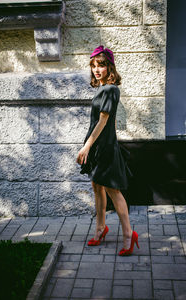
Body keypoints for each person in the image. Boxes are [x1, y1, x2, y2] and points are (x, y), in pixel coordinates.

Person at [76, 45, 139, 256]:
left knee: (113, 190)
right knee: (97, 186)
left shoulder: (111, 89)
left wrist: (87, 146)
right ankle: (101, 228)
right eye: (93, 65)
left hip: (104, 148)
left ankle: (129, 235)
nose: (96, 69)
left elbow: (103, 121)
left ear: (109, 67)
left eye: (101, 65)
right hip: (98, 147)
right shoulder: (101, 89)